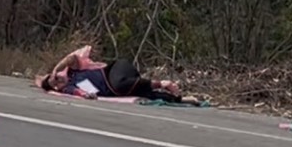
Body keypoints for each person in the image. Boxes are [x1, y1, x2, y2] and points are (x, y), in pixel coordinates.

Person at [39, 44, 195, 102]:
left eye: (56, 78)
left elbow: (72, 57)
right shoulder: (69, 87)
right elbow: (78, 92)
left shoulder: (74, 70)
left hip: (116, 70)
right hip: (119, 87)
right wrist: (87, 95)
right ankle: (183, 99)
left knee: (118, 85)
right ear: (58, 89)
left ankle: (162, 83)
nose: (58, 80)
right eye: (55, 83)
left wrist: (55, 69)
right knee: (146, 95)